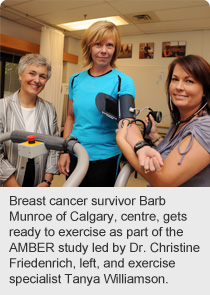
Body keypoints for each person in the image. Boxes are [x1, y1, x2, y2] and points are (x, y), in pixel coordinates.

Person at [58, 20, 163, 187]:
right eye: (98, 44)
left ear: (115, 49)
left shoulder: (123, 81)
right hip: (75, 152)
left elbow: (126, 122)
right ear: (89, 46)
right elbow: (70, 117)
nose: (104, 51)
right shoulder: (75, 80)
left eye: (109, 45)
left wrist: (140, 146)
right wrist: (64, 150)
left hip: (105, 157)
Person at [116, 55, 210, 187]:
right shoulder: (180, 122)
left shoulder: (206, 127)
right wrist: (155, 137)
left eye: (189, 81)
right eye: (175, 79)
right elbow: (175, 153)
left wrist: (122, 142)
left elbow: (164, 181)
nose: (179, 87)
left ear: (205, 90)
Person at [0, 53, 59, 187]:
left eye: (42, 76)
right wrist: (15, 189)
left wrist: (46, 181)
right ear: (20, 75)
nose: (37, 80)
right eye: (32, 73)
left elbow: (54, 148)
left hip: (38, 178)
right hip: (7, 180)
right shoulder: (2, 107)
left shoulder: (49, 109)